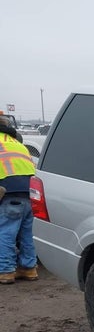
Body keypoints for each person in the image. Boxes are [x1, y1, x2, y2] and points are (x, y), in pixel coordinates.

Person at [0, 115, 38, 285]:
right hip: (29, 192)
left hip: (8, 192)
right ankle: (28, 268)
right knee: (26, 234)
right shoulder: (19, 144)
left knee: (6, 233)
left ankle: (6, 271)